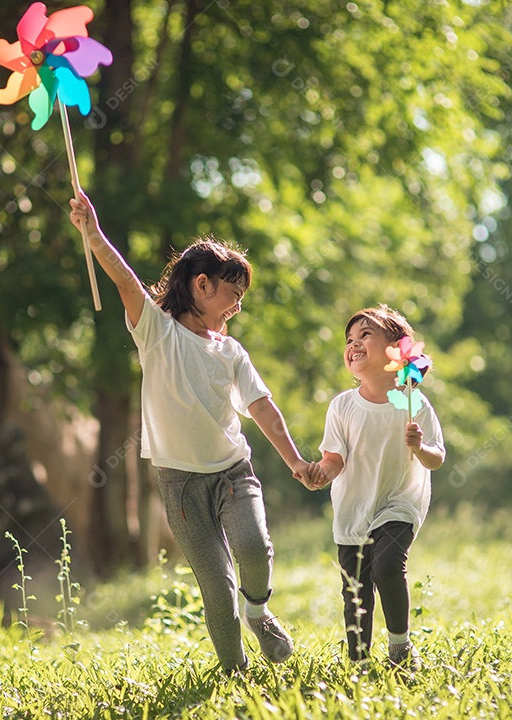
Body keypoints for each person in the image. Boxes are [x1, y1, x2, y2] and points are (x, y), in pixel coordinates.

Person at [69, 192, 312, 672]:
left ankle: (259, 612)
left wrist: (297, 462)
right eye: (234, 295)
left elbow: (263, 408)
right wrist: (93, 233)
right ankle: (235, 673)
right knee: (217, 586)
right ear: (202, 284)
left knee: (254, 547)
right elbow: (125, 279)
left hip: (233, 472)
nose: (238, 306)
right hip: (179, 484)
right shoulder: (156, 332)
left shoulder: (231, 352)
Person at [307, 305, 445, 672]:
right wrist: (320, 473)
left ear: (396, 348)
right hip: (354, 509)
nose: (353, 344)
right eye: (349, 339)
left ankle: (400, 647)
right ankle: (359, 663)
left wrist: (419, 447)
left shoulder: (410, 402)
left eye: (365, 335)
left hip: (400, 502)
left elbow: (436, 459)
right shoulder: (342, 406)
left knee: (386, 567)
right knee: (356, 591)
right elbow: (333, 460)